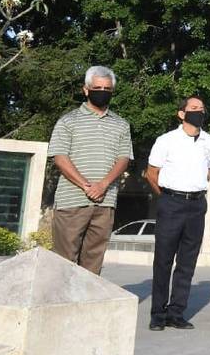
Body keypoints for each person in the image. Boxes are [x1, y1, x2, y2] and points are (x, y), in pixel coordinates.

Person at [48, 65, 133, 274]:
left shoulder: (121, 124)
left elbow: (123, 159)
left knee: (93, 264)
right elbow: (60, 157)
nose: (102, 92)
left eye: (107, 89)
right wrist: (87, 186)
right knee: (64, 262)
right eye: (97, 88)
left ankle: (86, 306)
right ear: (86, 89)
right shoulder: (67, 121)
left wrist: (103, 185)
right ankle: (61, 306)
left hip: (105, 202)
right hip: (72, 202)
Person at [146, 95, 210, 330]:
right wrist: (168, 197)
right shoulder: (166, 140)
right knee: (163, 261)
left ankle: (176, 312)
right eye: (194, 108)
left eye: (202, 108)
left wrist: (192, 191)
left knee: (187, 262)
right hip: (171, 203)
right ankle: (158, 314)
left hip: (197, 205)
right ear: (182, 113)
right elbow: (152, 173)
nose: (199, 111)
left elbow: (209, 173)